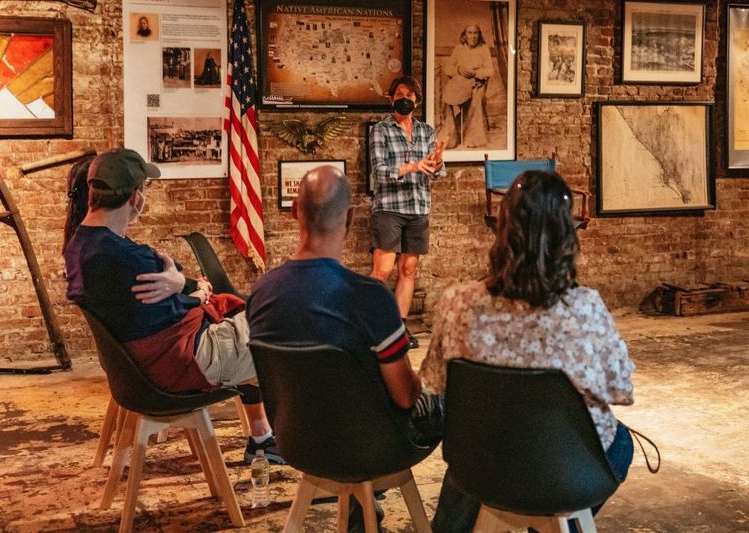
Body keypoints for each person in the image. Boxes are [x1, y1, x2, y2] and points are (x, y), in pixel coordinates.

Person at [420, 171, 635, 533]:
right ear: (566, 235)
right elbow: (620, 389)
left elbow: (434, 382)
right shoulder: (584, 308)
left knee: (480, 433)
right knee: (622, 442)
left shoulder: (457, 303)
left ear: (502, 230)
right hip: (565, 473)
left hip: (479, 464)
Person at [246, 165, 443, 532]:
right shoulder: (370, 298)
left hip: (299, 443)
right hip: (375, 447)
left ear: (294, 212)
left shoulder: (262, 293)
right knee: (447, 402)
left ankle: (362, 516)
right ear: (352, 216)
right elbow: (403, 397)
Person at [63, 148, 283, 465]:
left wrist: (185, 289)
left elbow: (172, 288)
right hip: (185, 362)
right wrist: (190, 288)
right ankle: (320, 460)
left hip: (146, 370)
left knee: (262, 319)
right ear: (136, 198)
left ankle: (264, 439)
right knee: (296, 331)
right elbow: (176, 278)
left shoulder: (80, 247)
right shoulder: (129, 259)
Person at [369, 75, 446, 349]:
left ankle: (399, 329)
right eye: (399, 94)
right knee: (383, 269)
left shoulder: (426, 131)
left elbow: (438, 172)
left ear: (417, 100)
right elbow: (379, 171)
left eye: (409, 95)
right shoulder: (381, 130)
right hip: (389, 207)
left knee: (409, 269)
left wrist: (435, 165)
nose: (404, 98)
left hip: (418, 206)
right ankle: (370, 325)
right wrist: (413, 166)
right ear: (392, 99)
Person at [441, 24, 495, 148]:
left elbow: (490, 71)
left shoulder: (484, 49)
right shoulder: (459, 48)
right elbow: (448, 68)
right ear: (464, 35)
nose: (472, 36)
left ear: (479, 34)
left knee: (474, 98)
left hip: (477, 84)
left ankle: (472, 138)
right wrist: (458, 69)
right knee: (449, 97)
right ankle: (452, 135)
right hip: (459, 84)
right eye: (469, 33)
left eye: (475, 33)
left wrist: (476, 73)